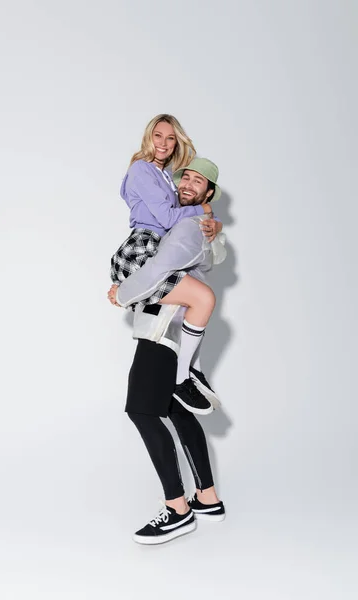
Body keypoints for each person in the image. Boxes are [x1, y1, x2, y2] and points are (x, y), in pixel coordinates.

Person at [108, 159, 226, 545]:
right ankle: (207, 497)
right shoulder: (190, 225)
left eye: (199, 182)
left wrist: (121, 294)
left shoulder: (188, 227)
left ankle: (177, 509)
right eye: (186, 177)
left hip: (162, 332)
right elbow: (208, 258)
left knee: (141, 411)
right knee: (175, 408)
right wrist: (214, 229)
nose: (190, 183)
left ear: (208, 195)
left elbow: (159, 269)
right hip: (174, 332)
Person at [110, 114, 223, 415]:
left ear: (176, 144)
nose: (163, 143)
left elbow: (182, 213)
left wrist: (215, 223)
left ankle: (188, 373)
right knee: (202, 298)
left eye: (170, 138)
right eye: (158, 136)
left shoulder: (164, 176)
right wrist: (206, 208)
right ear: (149, 137)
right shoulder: (141, 170)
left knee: (197, 303)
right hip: (142, 249)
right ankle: (181, 378)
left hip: (155, 248)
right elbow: (168, 219)